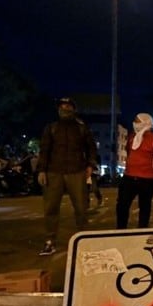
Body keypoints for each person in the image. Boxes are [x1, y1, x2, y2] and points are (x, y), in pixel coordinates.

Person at [36, 97, 98, 256]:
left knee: (81, 208)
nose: (65, 109)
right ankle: (50, 241)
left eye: (68, 106)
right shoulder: (51, 128)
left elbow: (91, 148)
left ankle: (84, 240)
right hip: (53, 172)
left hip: (77, 171)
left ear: (74, 109)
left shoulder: (82, 128)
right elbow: (44, 150)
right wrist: (41, 170)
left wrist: (90, 165)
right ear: (58, 109)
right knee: (51, 208)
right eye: (62, 106)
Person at [116, 113, 153, 229]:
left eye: (137, 121)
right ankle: (120, 230)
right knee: (122, 205)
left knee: (144, 206)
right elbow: (129, 152)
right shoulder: (132, 137)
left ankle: (142, 229)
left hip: (148, 180)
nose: (134, 124)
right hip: (129, 177)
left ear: (145, 122)